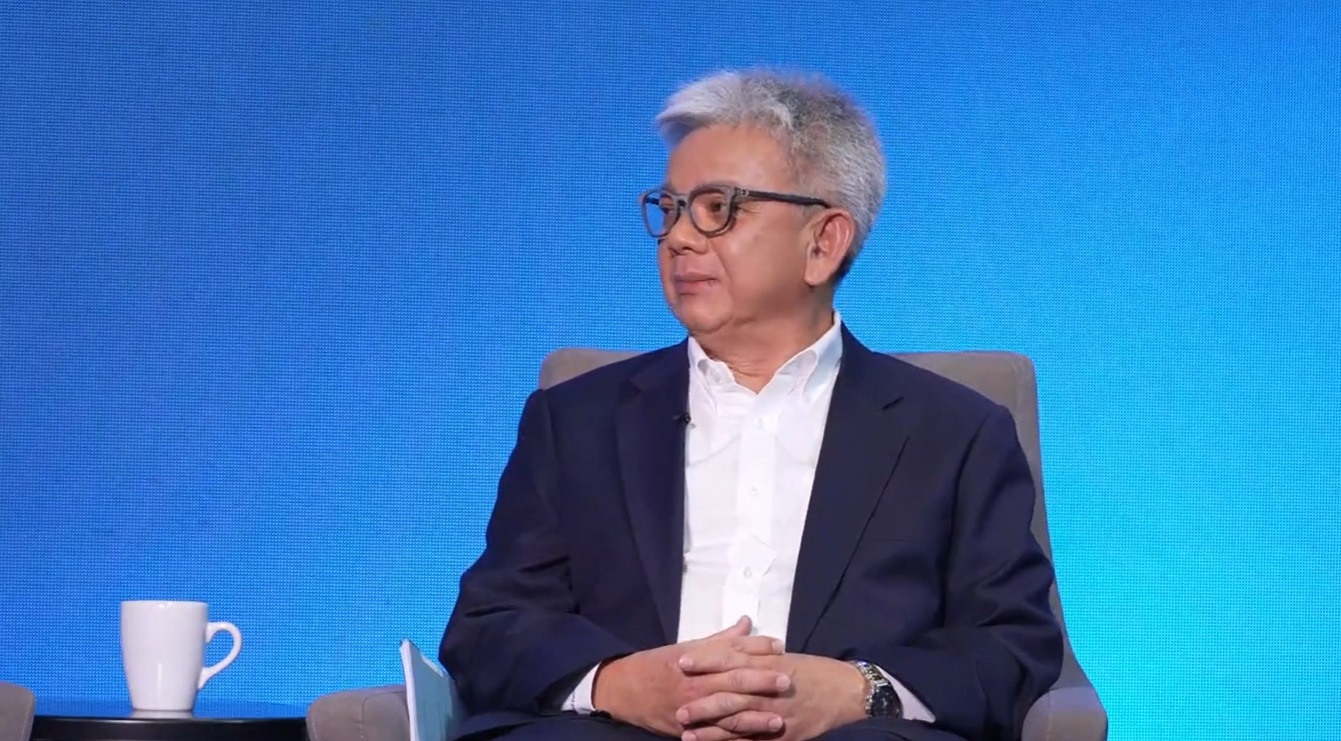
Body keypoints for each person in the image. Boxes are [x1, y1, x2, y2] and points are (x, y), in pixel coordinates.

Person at [439, 69, 1062, 741]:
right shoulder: (574, 422)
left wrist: (857, 691)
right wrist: (618, 683)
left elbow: (1009, 644)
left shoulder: (954, 433)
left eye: (718, 208)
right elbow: (489, 627)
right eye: (670, 208)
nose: (679, 238)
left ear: (823, 243)